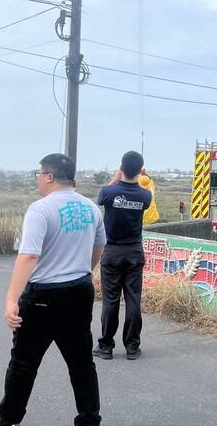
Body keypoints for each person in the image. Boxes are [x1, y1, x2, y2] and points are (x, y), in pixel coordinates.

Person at [0, 153, 106, 426]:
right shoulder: (91, 209)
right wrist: (83, 270)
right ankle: (89, 420)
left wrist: (11, 300)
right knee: (82, 363)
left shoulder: (40, 209)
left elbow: (28, 256)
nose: (38, 179)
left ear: (49, 176)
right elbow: (99, 246)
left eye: (39, 174)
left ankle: (8, 420)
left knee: (23, 364)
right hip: (79, 291)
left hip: (43, 296)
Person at [92, 151, 152, 361]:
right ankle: (132, 347)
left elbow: (101, 197)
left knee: (110, 300)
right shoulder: (145, 195)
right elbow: (144, 194)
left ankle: (106, 346)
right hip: (135, 252)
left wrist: (117, 176)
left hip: (113, 252)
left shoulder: (109, 191)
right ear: (140, 169)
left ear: (121, 168)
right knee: (133, 300)